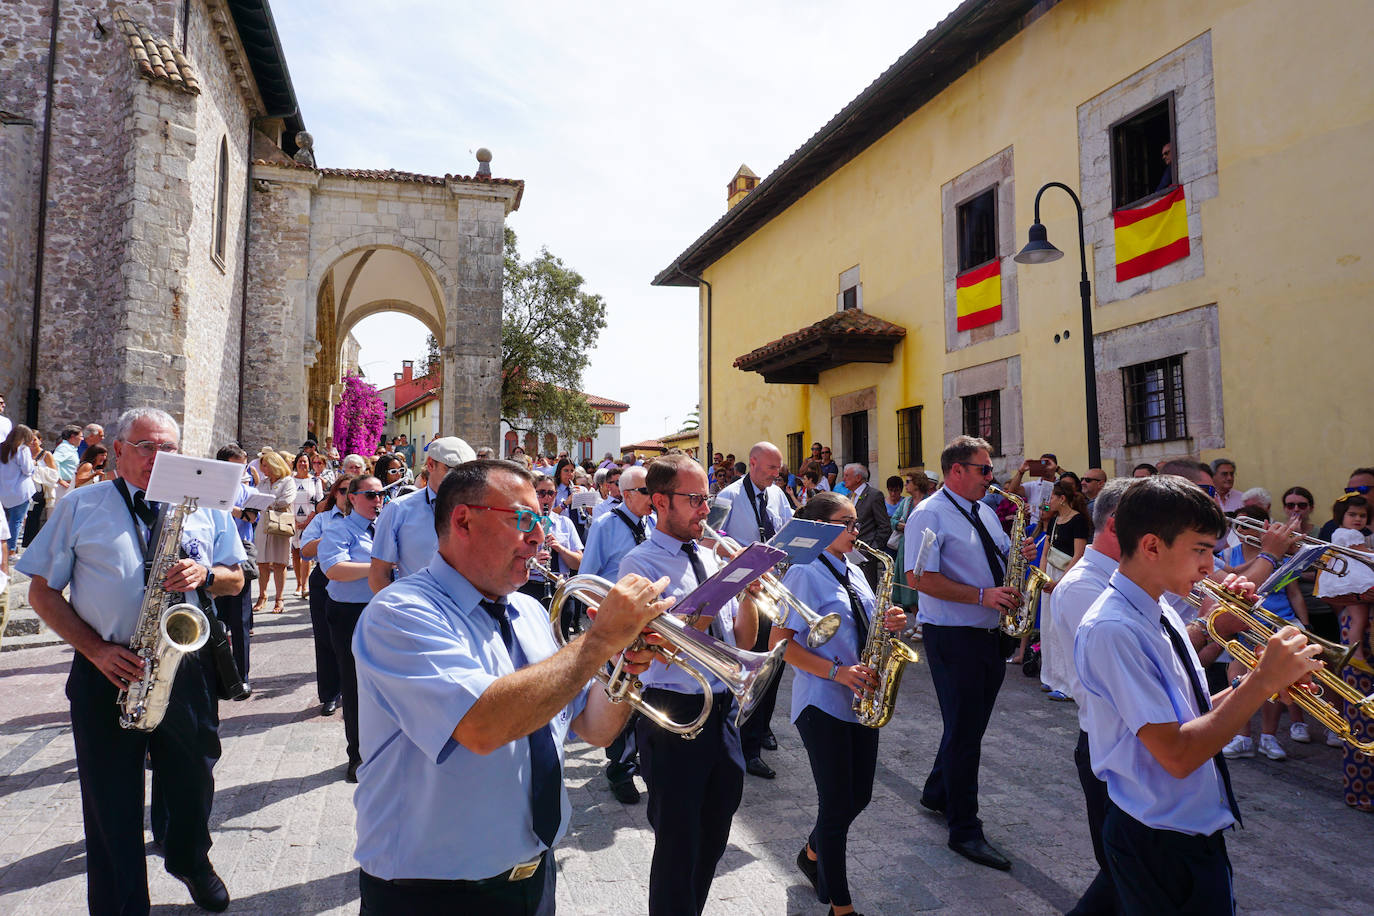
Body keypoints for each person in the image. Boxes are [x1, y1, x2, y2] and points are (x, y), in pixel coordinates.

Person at [350, 458, 667, 912]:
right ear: (463, 520)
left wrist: (625, 667)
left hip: (534, 875)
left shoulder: (531, 612)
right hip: (432, 892)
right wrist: (599, 642)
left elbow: (594, 729)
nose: (539, 536)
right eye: (524, 519)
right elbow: (482, 726)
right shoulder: (399, 613)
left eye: (541, 518)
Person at [18, 407, 246, 913]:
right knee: (110, 802)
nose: (157, 458)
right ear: (118, 450)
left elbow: (237, 576)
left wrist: (206, 575)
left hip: (184, 669)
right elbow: (41, 592)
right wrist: (96, 650)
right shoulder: (82, 505)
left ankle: (190, 858)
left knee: (193, 779)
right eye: (146, 447)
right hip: (106, 668)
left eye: (168, 448)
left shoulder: (205, 507)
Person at [1075, 475, 1322, 914]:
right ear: (1152, 546)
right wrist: (1263, 681)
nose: (1211, 566)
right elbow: (1178, 753)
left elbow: (1195, 714)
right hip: (1158, 837)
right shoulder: (1114, 629)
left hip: (1186, 828)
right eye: (1201, 550)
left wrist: (1258, 682)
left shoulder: (1159, 606)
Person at [619, 453, 762, 916]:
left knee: (716, 828)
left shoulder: (708, 555)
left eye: (708, 498)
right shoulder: (639, 565)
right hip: (673, 714)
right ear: (660, 501)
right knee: (677, 844)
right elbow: (654, 648)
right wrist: (703, 605)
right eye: (695, 499)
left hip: (722, 709)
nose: (706, 509)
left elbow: (742, 640)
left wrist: (747, 594)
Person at [904, 435, 1031, 871]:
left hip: (988, 633)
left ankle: (938, 791)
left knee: (969, 725)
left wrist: (1019, 554)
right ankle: (964, 829)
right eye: (984, 469)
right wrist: (982, 595)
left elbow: (997, 558)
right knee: (964, 731)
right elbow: (917, 578)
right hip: (954, 636)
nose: (991, 478)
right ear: (956, 470)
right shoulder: (929, 514)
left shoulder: (985, 510)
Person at [777, 491, 906, 916]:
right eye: (846, 524)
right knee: (835, 805)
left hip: (860, 698)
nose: (856, 531)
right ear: (819, 528)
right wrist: (837, 673)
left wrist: (889, 623)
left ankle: (812, 854)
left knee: (859, 797)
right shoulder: (803, 573)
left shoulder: (855, 569)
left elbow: (862, 627)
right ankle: (841, 907)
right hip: (822, 702)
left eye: (856, 524)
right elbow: (781, 646)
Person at [1043, 477, 1130, 915]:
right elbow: (1121, 674)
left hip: (1132, 743)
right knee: (1122, 872)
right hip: (1109, 741)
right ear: (1116, 526)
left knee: (1124, 876)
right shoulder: (1083, 588)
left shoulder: (1128, 579)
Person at [715, 441, 794, 779]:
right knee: (753, 666)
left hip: (774, 590)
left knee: (774, 663)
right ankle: (747, 745)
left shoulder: (776, 494)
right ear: (752, 463)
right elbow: (708, 542)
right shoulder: (726, 497)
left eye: (778, 469)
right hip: (744, 596)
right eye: (770, 469)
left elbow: (788, 531)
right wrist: (738, 554)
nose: (776, 475)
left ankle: (762, 728)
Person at [579, 464, 656, 803]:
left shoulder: (653, 524)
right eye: (645, 491)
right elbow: (587, 579)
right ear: (626, 494)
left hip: (649, 622)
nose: (652, 497)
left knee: (645, 695)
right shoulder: (605, 526)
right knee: (621, 692)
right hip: (618, 624)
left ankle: (640, 759)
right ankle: (619, 769)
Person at [1220, 505, 1313, 761]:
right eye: (1238, 525)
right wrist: (1268, 553)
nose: (1242, 530)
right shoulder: (1230, 554)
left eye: (1248, 524)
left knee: (1274, 682)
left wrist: (1305, 624)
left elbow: (1293, 593)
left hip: (1280, 622)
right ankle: (1242, 737)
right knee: (1237, 677)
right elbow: (1229, 577)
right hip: (1245, 624)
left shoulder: (1281, 557)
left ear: (1264, 527)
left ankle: (1269, 737)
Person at [319, 475, 384, 782]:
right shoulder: (339, 530)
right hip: (350, 614)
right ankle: (357, 755)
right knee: (355, 686)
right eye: (370, 496)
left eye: (380, 494)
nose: (377, 500)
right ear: (353, 498)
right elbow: (334, 569)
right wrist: (380, 567)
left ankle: (385, 751)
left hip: (383, 611)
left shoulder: (385, 528)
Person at [370, 437, 476, 593]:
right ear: (431, 464)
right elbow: (379, 573)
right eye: (452, 470)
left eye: (467, 472)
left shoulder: (481, 510)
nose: (461, 478)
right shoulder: (398, 510)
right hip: (416, 608)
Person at [301, 474, 354, 718]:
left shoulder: (371, 519)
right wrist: (331, 537)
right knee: (325, 639)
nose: (348, 496)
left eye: (354, 491)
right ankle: (330, 694)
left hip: (358, 582)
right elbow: (305, 550)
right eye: (343, 491)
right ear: (335, 494)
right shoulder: (323, 519)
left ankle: (355, 691)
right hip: (325, 578)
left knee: (357, 640)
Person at [215, 443, 259, 686]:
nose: (240, 473)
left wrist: (243, 512)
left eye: (242, 467)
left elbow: (253, 517)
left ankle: (242, 677)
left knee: (241, 621)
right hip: (214, 557)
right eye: (235, 467)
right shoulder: (208, 489)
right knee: (215, 619)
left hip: (240, 554)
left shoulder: (245, 491)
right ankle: (218, 672)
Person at [524, 475, 585, 639]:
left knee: (560, 641)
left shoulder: (565, 523)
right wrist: (533, 557)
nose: (546, 498)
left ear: (556, 495)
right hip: (531, 588)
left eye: (551, 493)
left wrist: (560, 548)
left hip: (560, 589)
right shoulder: (523, 522)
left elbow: (578, 564)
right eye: (541, 493)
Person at [1316, 494, 1374, 662]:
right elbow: (1364, 553)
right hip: (1352, 580)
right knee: (1359, 619)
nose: (1358, 519)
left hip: (1350, 578)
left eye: (1362, 515)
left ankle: (1356, 654)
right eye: (1352, 514)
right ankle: (1356, 655)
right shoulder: (1349, 534)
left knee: (1359, 618)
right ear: (1341, 516)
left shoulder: (1343, 533)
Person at [251, 448, 296, 614]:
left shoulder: (288, 481)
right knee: (262, 562)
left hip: (280, 524)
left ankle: (279, 598)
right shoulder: (262, 483)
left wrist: (267, 502)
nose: (263, 469)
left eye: (265, 465)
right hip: (263, 525)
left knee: (279, 563)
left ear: (274, 465)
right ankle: (262, 596)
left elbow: (286, 500)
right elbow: (255, 499)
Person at [843, 463, 892, 590]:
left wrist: (872, 550)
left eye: (847, 475)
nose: (843, 479)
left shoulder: (874, 495)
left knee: (867, 590)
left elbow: (884, 526)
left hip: (866, 555)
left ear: (858, 477)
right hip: (849, 552)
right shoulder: (848, 497)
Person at [0, 424, 38, 568]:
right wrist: (34, 464)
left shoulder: (2, 448)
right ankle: (11, 552)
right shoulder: (22, 449)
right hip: (20, 491)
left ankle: (4, 550)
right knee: (16, 522)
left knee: (5, 521)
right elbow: (28, 470)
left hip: (4, 491)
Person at [290, 451, 324, 600]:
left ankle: (305, 586)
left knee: (306, 554)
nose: (303, 464)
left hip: (310, 521)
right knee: (295, 553)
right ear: (296, 464)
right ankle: (298, 584)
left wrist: (308, 521)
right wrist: (294, 521)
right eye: (300, 461)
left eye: (305, 461)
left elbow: (318, 502)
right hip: (292, 520)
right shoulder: (290, 480)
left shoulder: (315, 481)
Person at [53, 424, 82, 499]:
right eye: (81, 436)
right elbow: (54, 461)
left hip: (68, 485)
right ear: (73, 437)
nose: (82, 439)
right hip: (62, 487)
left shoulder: (70, 448)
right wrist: (59, 480)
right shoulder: (64, 447)